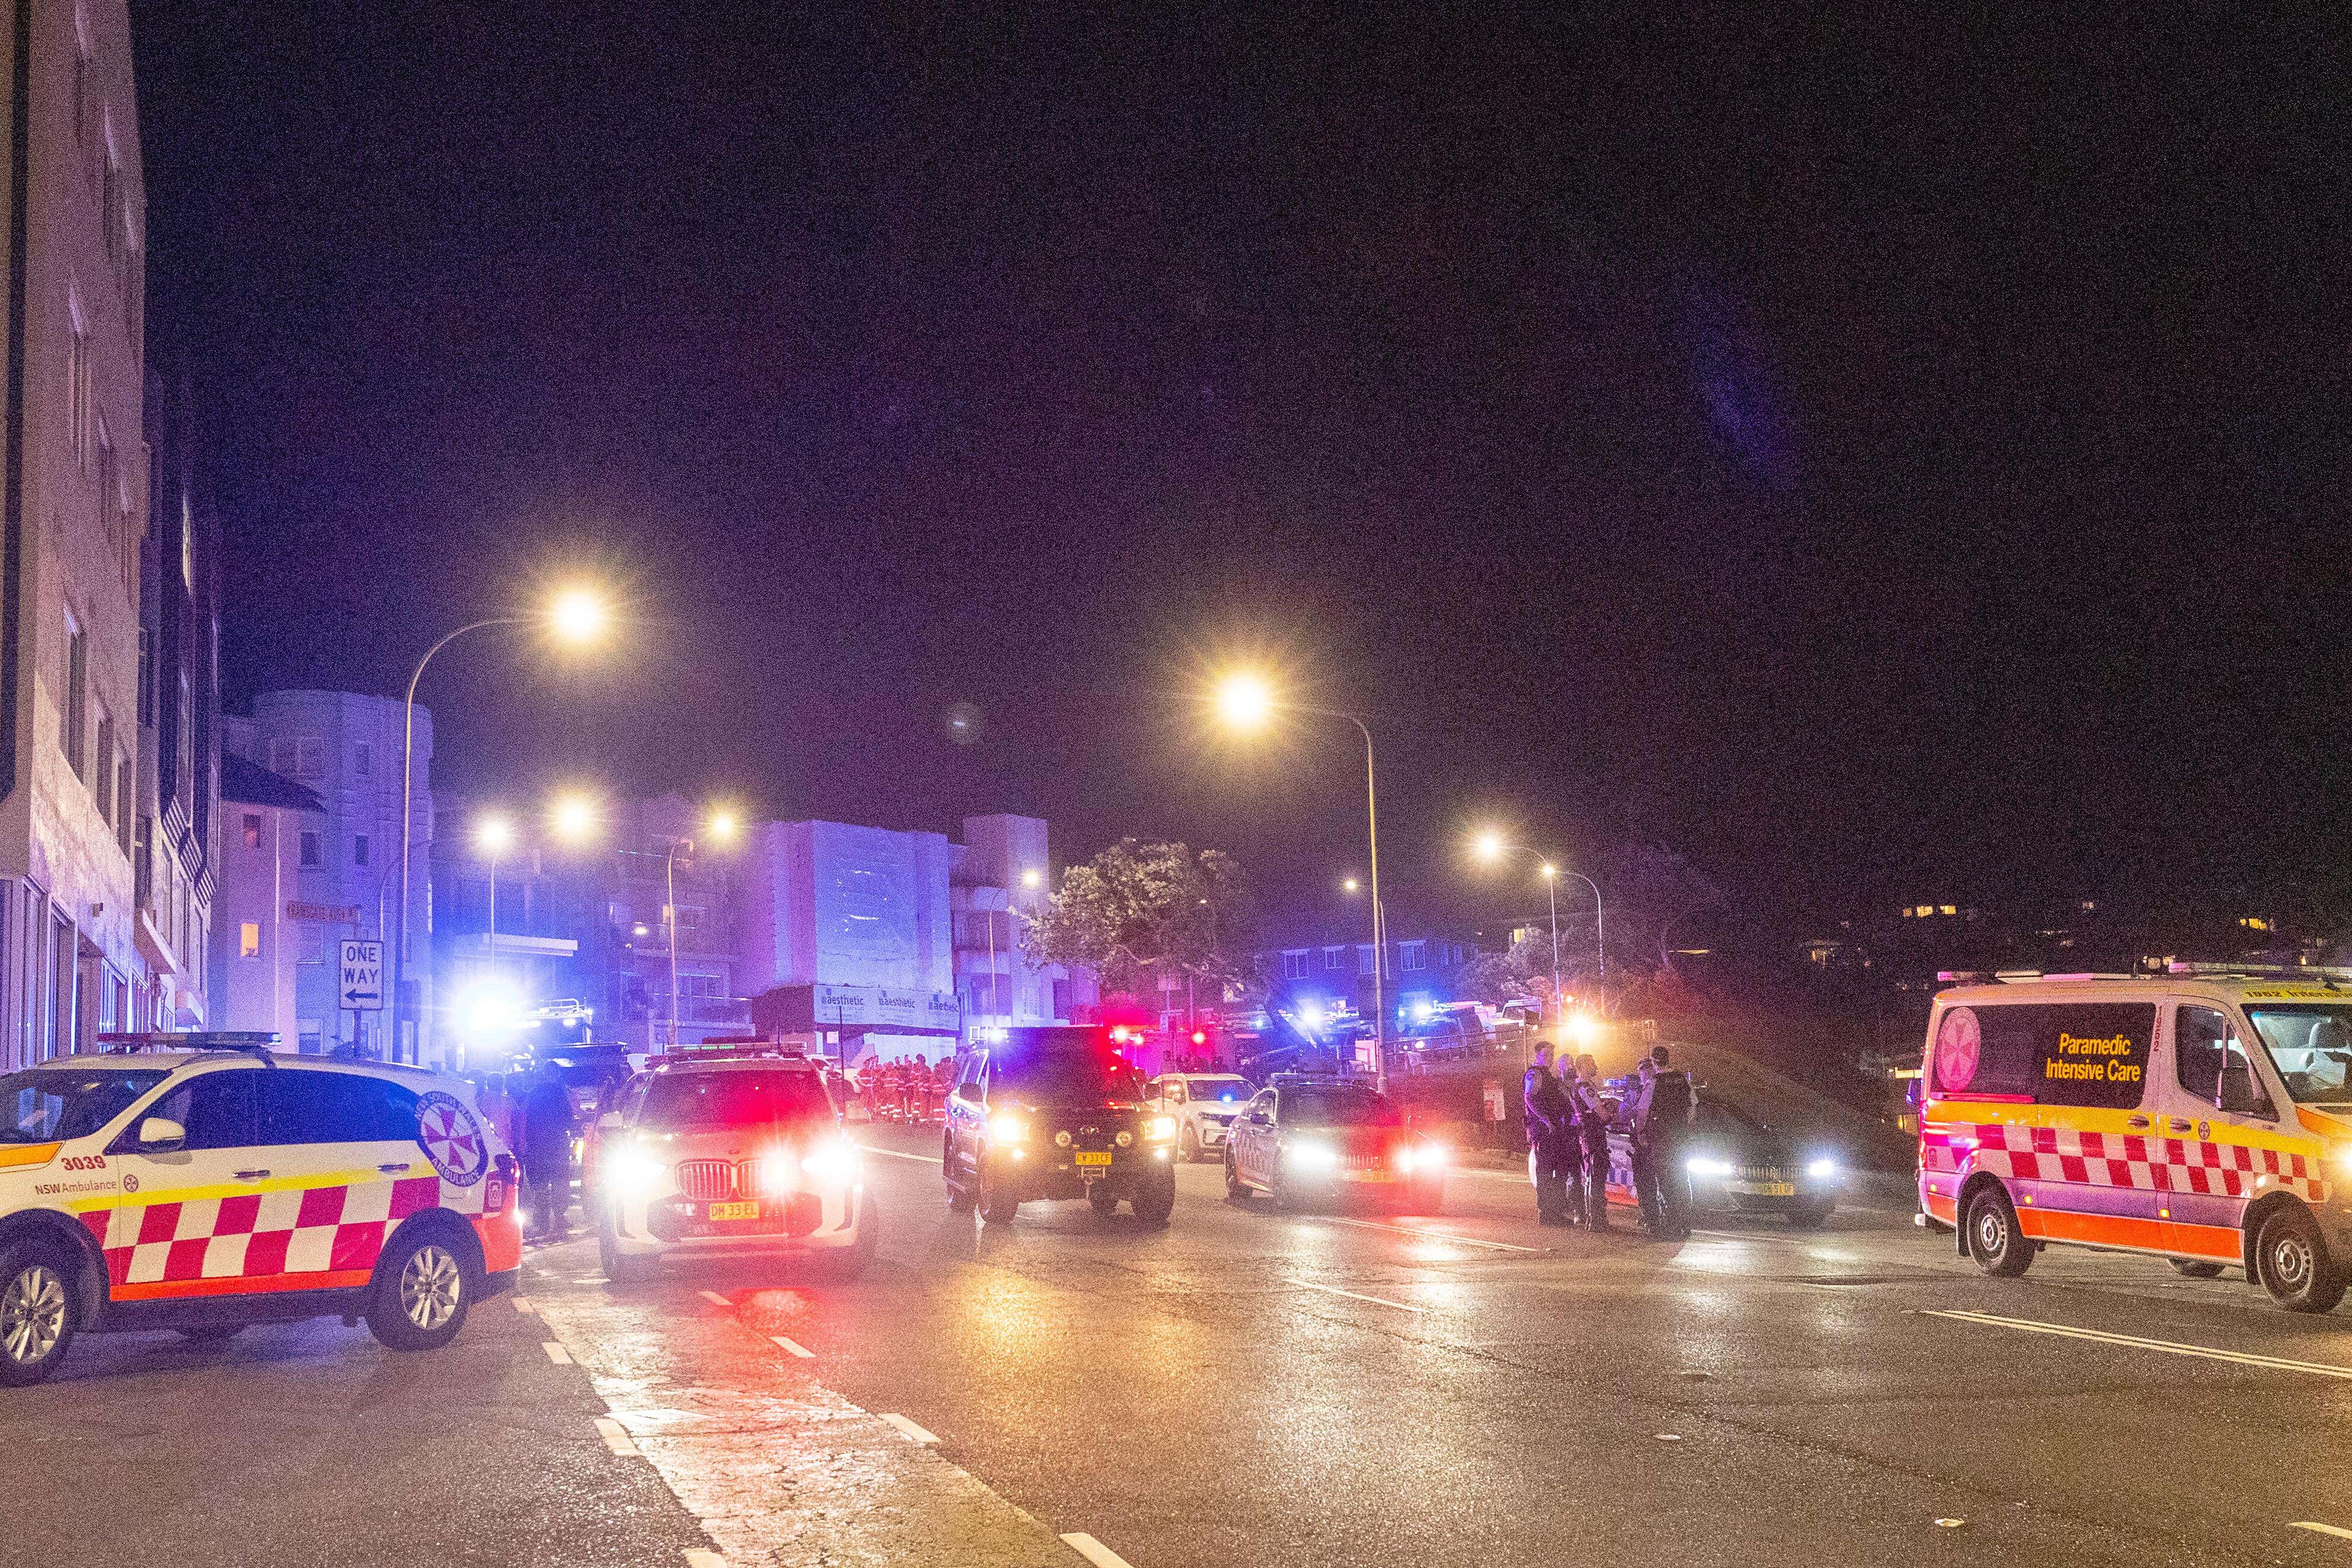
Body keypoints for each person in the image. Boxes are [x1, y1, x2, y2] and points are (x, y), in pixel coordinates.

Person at [1628, 1046, 1696, 1240]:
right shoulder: (1683, 1080)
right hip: (1680, 1139)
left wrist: (1640, 1132)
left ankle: (1673, 1225)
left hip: (1662, 1140)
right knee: (1682, 1180)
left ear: (1654, 1061)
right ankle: (1684, 1223)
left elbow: (1642, 1113)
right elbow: (1692, 1108)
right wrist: (1683, 1127)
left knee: (1667, 1182)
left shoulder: (1655, 1083)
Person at [519, 1069, 578, 1242]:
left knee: (541, 1185)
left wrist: (524, 1141)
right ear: (556, 1075)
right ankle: (560, 1217)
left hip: (537, 1145)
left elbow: (525, 1117)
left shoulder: (533, 1094)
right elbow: (569, 1117)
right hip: (557, 1143)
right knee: (560, 1181)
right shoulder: (562, 1093)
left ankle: (542, 1222)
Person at [1522, 1043, 1576, 1227]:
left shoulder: (1551, 1077)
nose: (1550, 1057)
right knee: (1545, 1172)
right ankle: (1547, 1213)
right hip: (1544, 1131)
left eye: (1552, 1054)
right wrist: (1545, 1120)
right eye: (1546, 1054)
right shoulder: (1535, 1074)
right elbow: (1529, 1098)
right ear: (1538, 1055)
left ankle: (1557, 1210)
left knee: (1559, 1171)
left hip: (1556, 1129)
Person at [1569, 1053, 1614, 1233]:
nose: (1596, 1066)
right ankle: (1597, 1219)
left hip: (1586, 1135)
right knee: (1597, 1176)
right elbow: (1600, 1113)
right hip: (1594, 1135)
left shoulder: (1574, 1087)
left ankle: (1592, 1218)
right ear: (1585, 1065)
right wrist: (1611, 1117)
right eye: (1593, 1063)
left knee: (1590, 1176)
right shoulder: (1586, 1087)